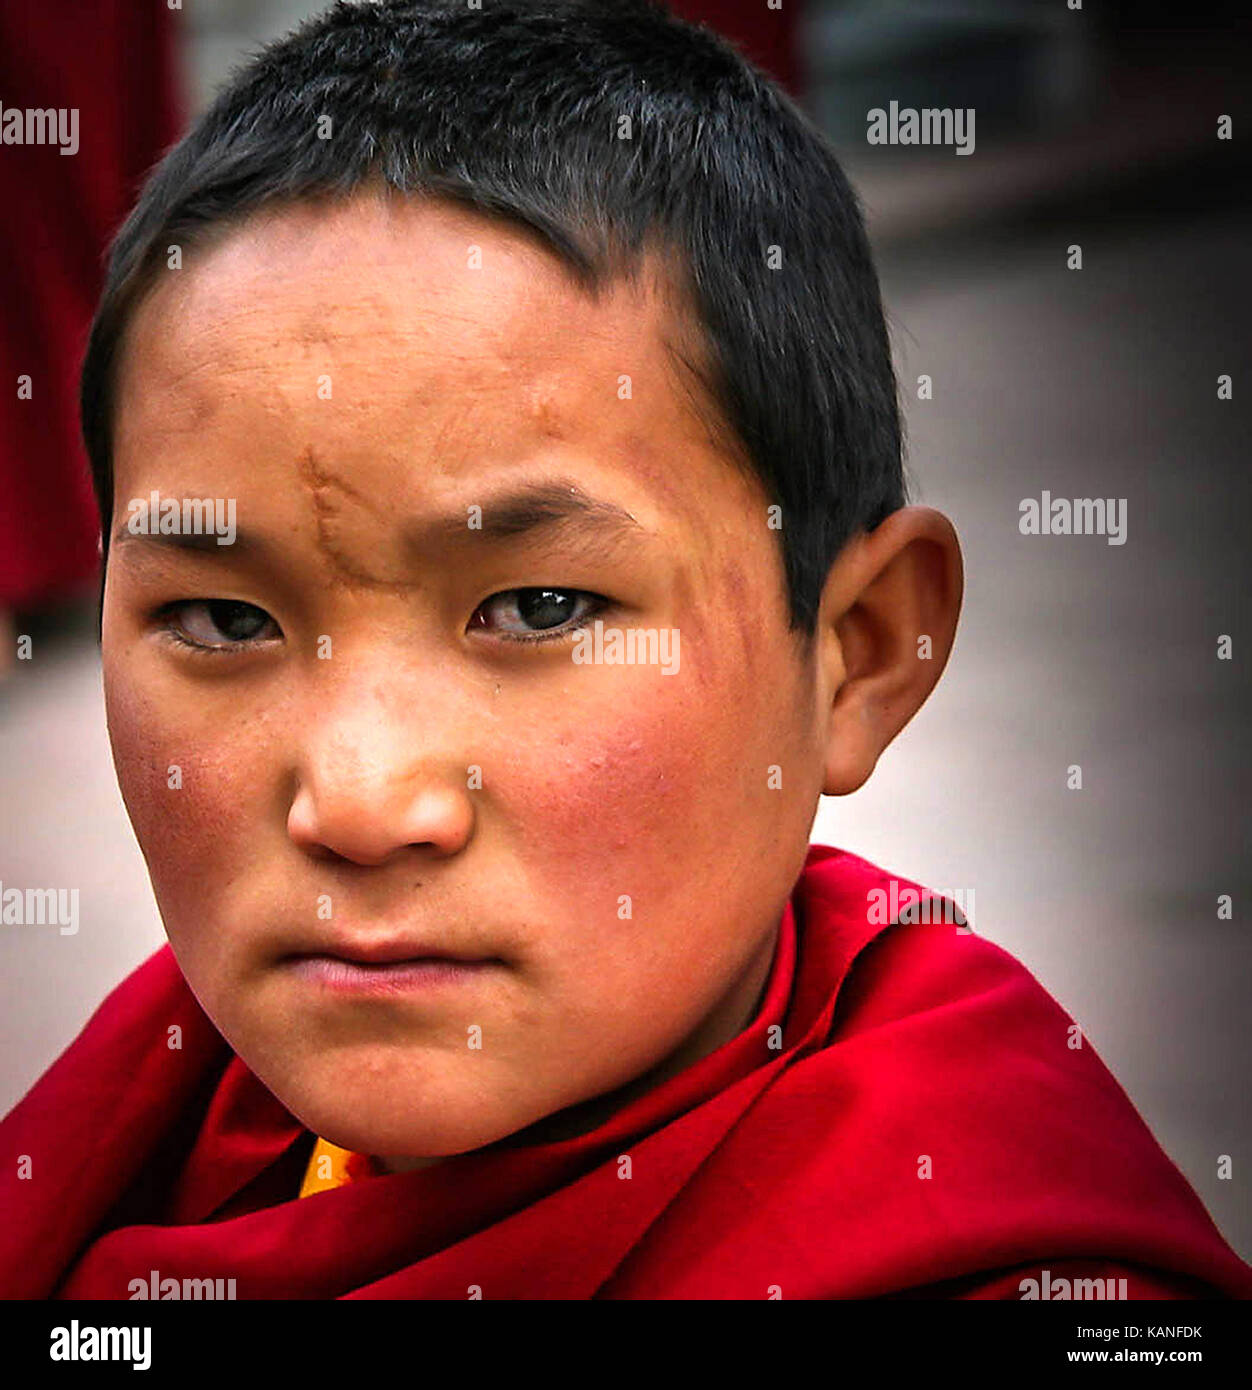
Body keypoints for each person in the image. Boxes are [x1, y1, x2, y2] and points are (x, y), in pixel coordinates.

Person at [2, 0, 1248, 1300]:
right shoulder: (143, 1141)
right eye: (222, 619)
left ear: (858, 652)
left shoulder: (999, 1260)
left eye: (541, 608)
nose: (361, 803)